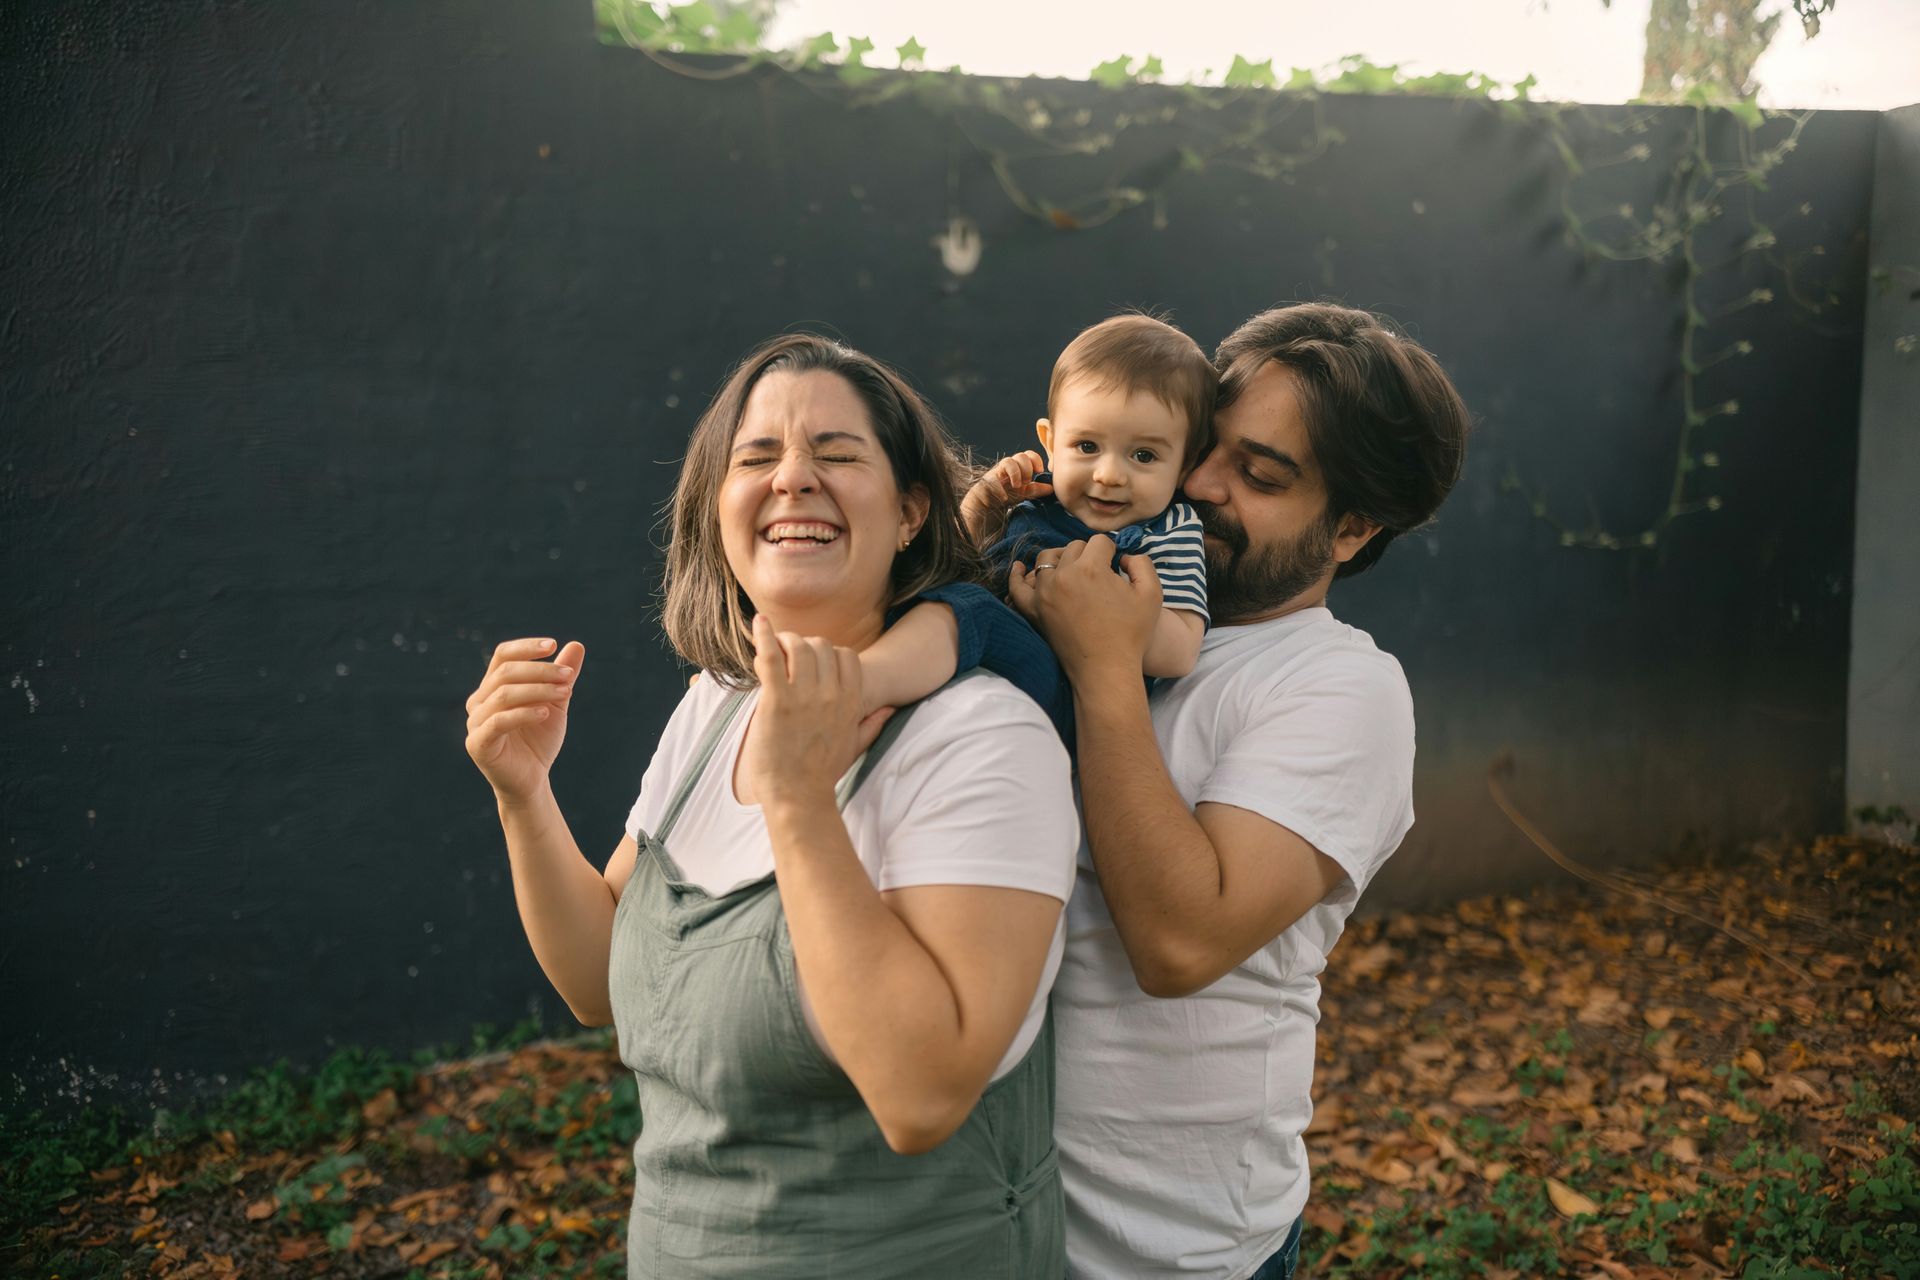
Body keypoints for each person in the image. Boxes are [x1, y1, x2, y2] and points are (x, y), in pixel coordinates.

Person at [461, 334, 1079, 1278]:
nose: (793, 479)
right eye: (757, 458)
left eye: (836, 455)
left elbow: (920, 1097)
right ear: (719, 511)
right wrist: (522, 793)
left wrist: (798, 799)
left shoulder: (982, 737)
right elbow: (601, 989)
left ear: (912, 510)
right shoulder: (718, 706)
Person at [1010, 302, 1471, 1280]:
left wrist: (1103, 667)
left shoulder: (1340, 687)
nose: (1203, 486)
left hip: (1171, 1249)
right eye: (1204, 447)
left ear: (1351, 527)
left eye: (1261, 475)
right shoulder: (1107, 588)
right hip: (991, 1219)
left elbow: (1180, 942)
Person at [857, 313, 1217, 714]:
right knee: (907, 577)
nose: (1109, 475)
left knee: (971, 610)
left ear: (1186, 465)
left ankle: (858, 688)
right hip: (967, 669)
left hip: (1067, 694)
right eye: (1086, 446)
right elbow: (956, 559)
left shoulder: (1170, 529)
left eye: (1144, 455)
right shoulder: (1036, 495)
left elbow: (1182, 651)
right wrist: (982, 508)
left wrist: (1090, 615)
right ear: (1050, 441)